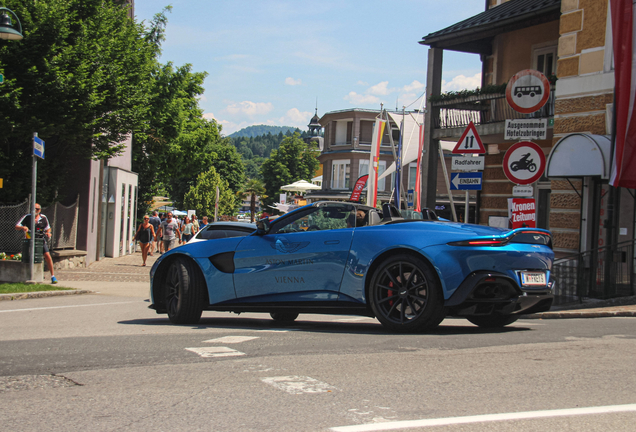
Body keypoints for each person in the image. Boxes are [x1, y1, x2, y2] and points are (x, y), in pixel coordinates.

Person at [15, 203, 58, 284]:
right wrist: (23, 227)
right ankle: (31, 276)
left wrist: (49, 233)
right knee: (30, 258)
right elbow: (17, 226)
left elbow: (48, 228)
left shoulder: (43, 218)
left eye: (37, 209)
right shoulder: (27, 217)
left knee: (47, 256)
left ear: (40, 210)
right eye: (34, 209)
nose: (35, 211)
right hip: (29, 241)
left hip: (40, 240)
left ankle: (53, 276)